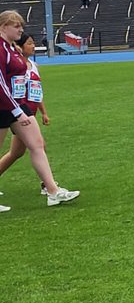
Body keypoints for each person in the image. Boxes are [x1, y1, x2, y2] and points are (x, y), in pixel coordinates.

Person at [0, 11, 78, 207]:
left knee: (37, 144)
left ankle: (52, 191)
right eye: (16, 26)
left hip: (18, 105)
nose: (21, 30)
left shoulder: (11, 48)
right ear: (3, 26)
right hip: (4, 106)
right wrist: (16, 110)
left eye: (21, 26)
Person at [0, 31, 52, 186]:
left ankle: (51, 188)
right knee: (38, 145)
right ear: (20, 47)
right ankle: (49, 187)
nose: (33, 46)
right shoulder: (14, 65)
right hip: (15, 110)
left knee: (17, 152)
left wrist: (43, 112)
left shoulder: (33, 66)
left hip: (26, 112)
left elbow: (37, 92)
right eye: (29, 43)